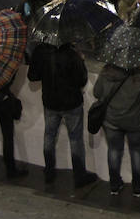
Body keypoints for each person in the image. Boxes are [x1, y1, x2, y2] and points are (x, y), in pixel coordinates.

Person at [27, 42, 98, 188]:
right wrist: (82, 60)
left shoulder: (43, 52)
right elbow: (82, 80)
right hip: (72, 103)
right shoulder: (72, 54)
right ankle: (79, 175)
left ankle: (49, 172)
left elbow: (33, 76)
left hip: (50, 102)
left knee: (49, 136)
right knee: (75, 139)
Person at [93, 63, 140, 196]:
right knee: (137, 152)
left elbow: (97, 92)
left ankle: (114, 185)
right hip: (135, 121)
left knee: (114, 150)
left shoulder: (105, 72)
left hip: (111, 120)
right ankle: (138, 187)